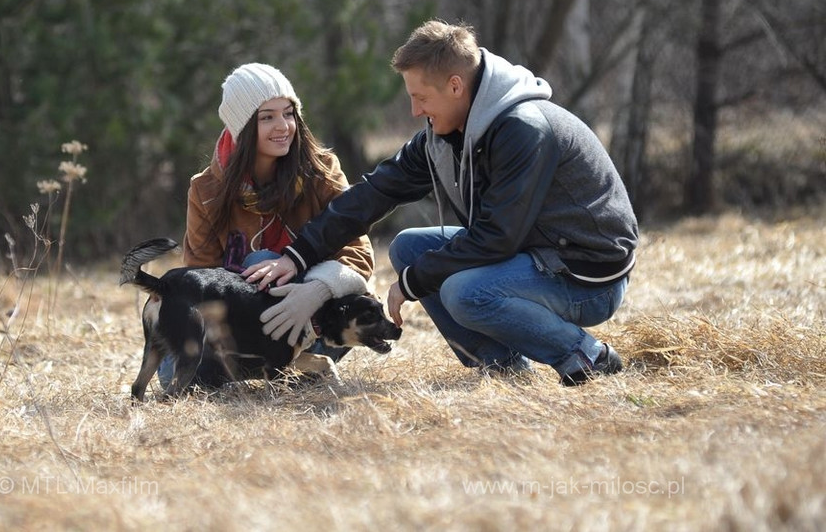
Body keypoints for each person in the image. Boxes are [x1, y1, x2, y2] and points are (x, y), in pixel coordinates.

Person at [244, 20, 639, 386]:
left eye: (420, 98)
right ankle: (501, 370)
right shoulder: (443, 131)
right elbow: (375, 192)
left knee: (464, 292)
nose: (416, 111)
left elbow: (497, 237)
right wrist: (298, 256)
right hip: (533, 253)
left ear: (455, 86)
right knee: (408, 246)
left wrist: (413, 282)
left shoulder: (524, 129)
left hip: (587, 275)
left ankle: (585, 356)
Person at [157, 63, 375, 389]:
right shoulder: (205, 190)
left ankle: (301, 362)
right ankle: (272, 366)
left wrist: (314, 291)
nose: (283, 126)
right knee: (170, 374)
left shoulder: (321, 169)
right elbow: (201, 277)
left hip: (317, 317)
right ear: (242, 127)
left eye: (289, 113)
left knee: (259, 263)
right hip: (245, 326)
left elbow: (358, 250)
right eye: (267, 117)